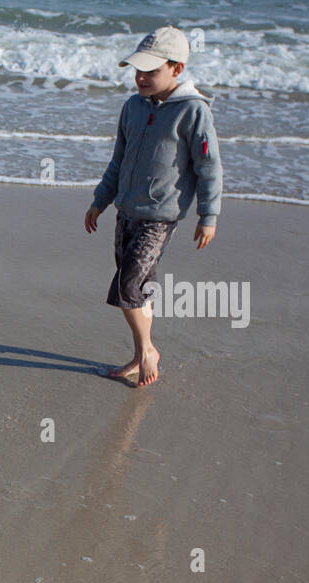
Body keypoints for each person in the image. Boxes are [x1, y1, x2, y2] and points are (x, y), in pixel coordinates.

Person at [85, 25, 223, 387]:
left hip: (159, 218)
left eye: (151, 70)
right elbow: (118, 160)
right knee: (143, 287)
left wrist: (208, 216)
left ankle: (147, 350)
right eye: (138, 70)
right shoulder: (132, 107)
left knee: (127, 285)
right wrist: (100, 200)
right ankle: (137, 353)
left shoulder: (193, 111)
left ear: (177, 69)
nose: (141, 77)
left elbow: (209, 167)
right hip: (125, 211)